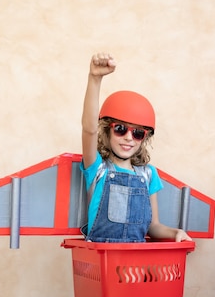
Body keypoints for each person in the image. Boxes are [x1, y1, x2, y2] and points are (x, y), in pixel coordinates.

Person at [80, 52, 191, 243]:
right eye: (120, 129)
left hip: (134, 264)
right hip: (101, 260)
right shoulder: (97, 168)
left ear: (144, 138)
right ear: (106, 131)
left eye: (138, 133)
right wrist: (95, 78)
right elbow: (89, 129)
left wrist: (175, 233)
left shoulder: (148, 175)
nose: (129, 138)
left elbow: (153, 227)